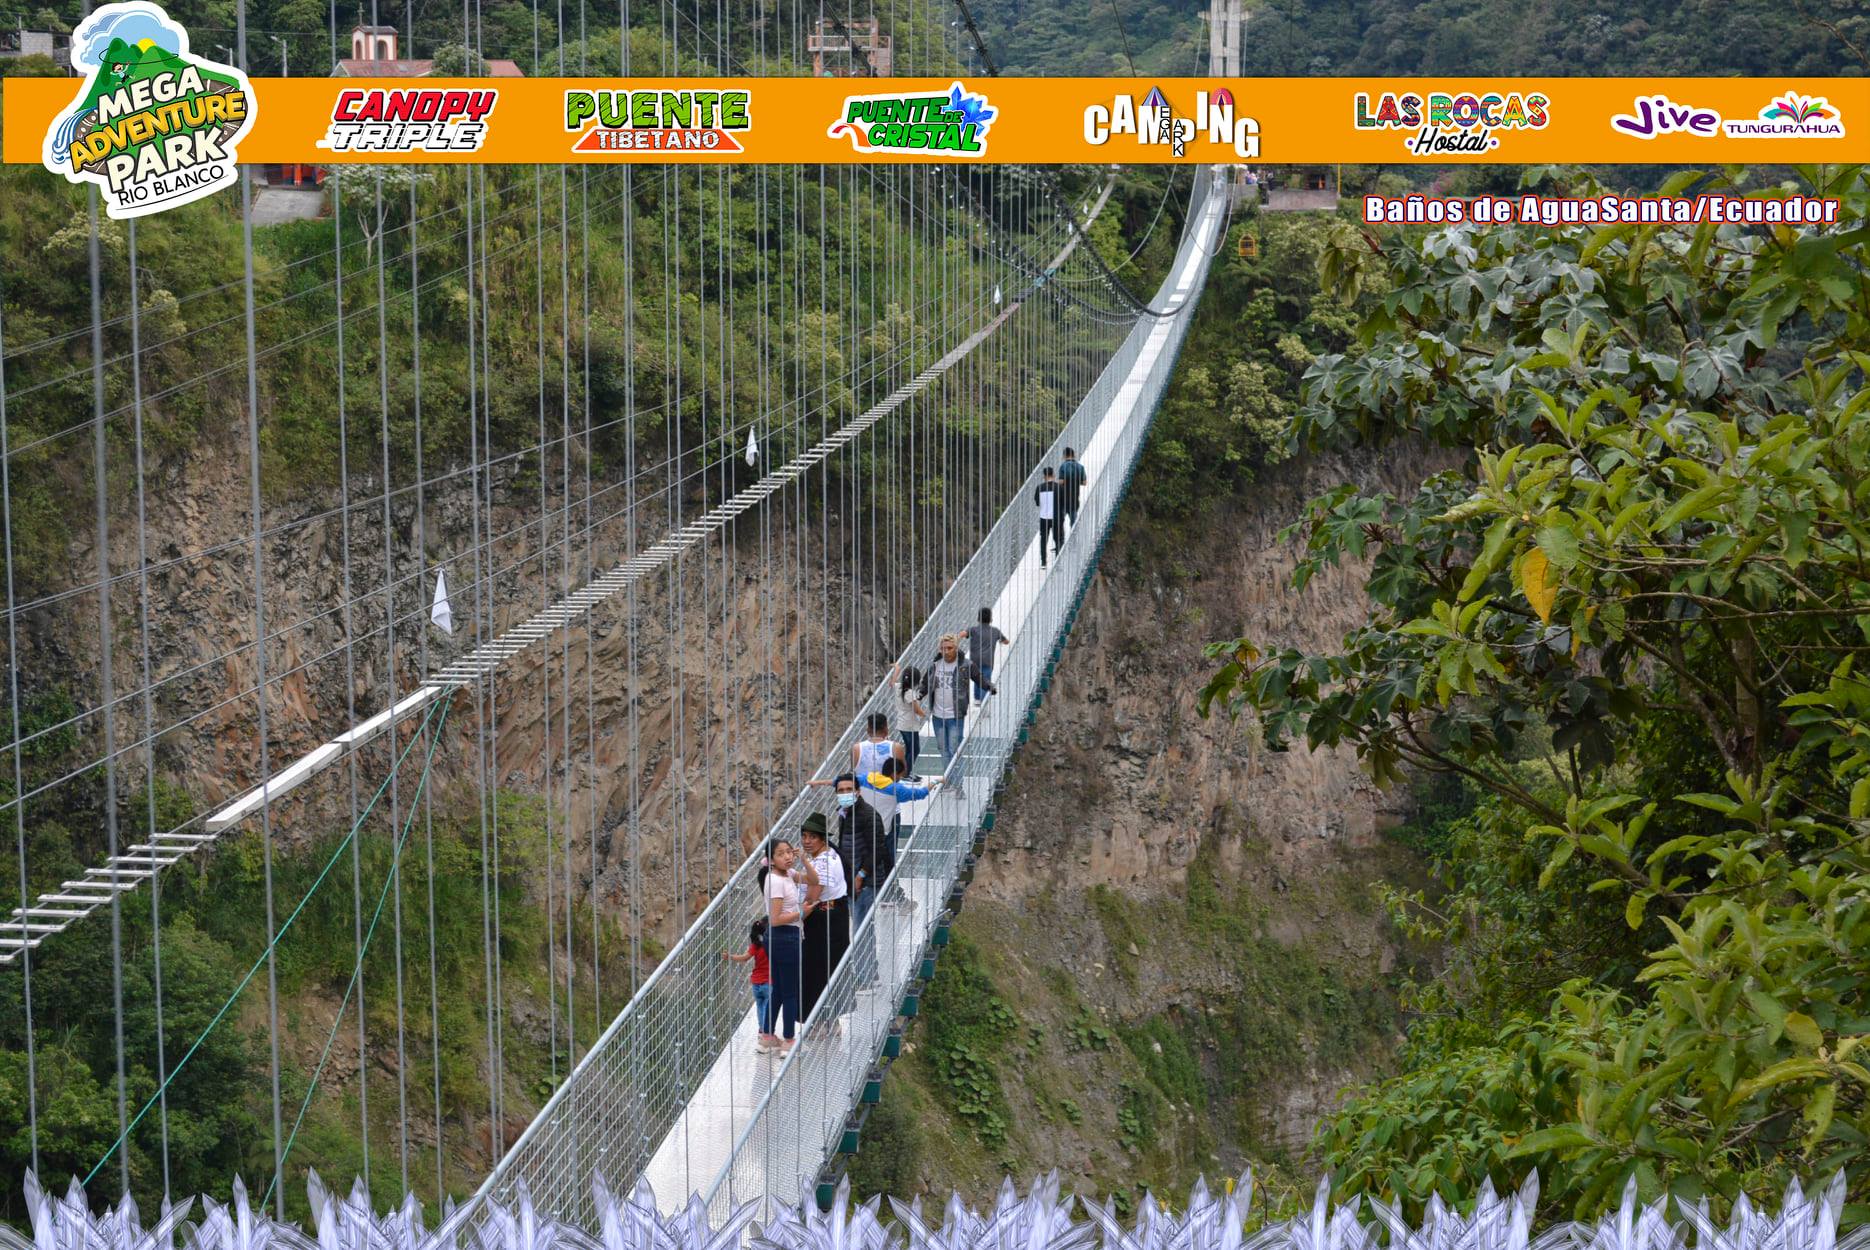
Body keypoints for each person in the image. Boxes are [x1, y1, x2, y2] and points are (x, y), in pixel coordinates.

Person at [761, 837, 816, 1052]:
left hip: (779, 938)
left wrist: (802, 857)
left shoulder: (787, 875)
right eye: (780, 854)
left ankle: (767, 1036)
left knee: (779, 990)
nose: (787, 857)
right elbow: (774, 918)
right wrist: (802, 912)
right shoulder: (775, 881)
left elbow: (813, 879)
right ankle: (789, 1040)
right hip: (785, 937)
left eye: (788, 852)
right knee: (791, 991)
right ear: (771, 860)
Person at [798, 813, 850, 1027]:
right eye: (804, 836)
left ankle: (820, 1022)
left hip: (823, 921)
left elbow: (812, 896)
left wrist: (795, 920)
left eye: (812, 837)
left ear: (822, 839)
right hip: (833, 917)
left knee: (817, 969)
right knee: (829, 967)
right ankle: (829, 1020)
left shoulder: (823, 863)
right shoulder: (828, 855)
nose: (807, 841)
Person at [927, 634, 995, 766]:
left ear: (956, 648)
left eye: (949, 648)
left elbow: (978, 678)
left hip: (955, 715)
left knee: (954, 750)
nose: (946, 651)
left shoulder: (966, 665)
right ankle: (948, 783)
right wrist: (919, 694)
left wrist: (989, 687)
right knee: (943, 750)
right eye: (943, 648)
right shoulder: (935, 665)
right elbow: (925, 683)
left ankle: (957, 785)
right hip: (937, 716)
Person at [723, 917, 774, 1052]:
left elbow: (744, 958)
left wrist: (730, 957)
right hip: (769, 982)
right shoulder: (772, 944)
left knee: (760, 1007)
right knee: (769, 1009)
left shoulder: (755, 946)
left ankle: (761, 1031)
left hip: (756, 983)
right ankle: (766, 1035)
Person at [966, 607, 1009, 702]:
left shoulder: (973, 630)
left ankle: (977, 699)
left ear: (978, 618)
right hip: (987, 660)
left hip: (974, 660)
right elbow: (1006, 641)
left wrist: (956, 638)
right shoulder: (995, 631)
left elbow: (963, 634)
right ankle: (984, 702)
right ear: (990, 619)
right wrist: (1002, 641)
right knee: (986, 680)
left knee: (977, 678)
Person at [892, 663, 928, 775]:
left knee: (909, 750)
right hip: (910, 725)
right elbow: (916, 710)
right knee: (914, 750)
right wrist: (925, 714)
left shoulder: (898, 687)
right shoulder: (910, 693)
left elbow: (891, 682)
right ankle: (906, 774)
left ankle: (906, 772)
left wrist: (897, 669)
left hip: (902, 724)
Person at [851, 711, 903, 777]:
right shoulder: (896, 747)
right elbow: (902, 772)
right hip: (887, 786)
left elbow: (853, 771)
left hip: (863, 786)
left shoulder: (856, 748)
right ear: (886, 729)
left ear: (868, 730)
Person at [1035, 467, 1062, 567]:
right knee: (1058, 538)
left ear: (1044, 476)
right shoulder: (1058, 487)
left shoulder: (1039, 487)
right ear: (1053, 475)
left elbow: (1037, 503)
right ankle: (1058, 561)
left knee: (1043, 540)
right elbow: (1062, 502)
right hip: (1056, 517)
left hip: (1044, 518)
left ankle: (1043, 562)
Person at [1058, 447, 1087, 536]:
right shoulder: (1080, 467)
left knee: (1059, 521)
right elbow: (1084, 482)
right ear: (1073, 454)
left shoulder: (1063, 466)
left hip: (1063, 498)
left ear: (1064, 455)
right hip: (1074, 498)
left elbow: (1061, 482)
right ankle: (1074, 540)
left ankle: (1061, 540)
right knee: (1073, 521)